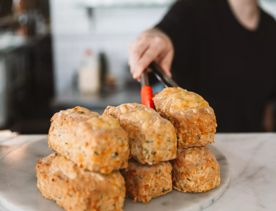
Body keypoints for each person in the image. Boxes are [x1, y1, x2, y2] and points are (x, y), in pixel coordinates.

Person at [129, 0, 276, 132]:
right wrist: (153, 37)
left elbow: (268, 110)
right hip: (197, 149)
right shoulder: (192, 9)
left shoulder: (271, 28)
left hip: (253, 151)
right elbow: (163, 31)